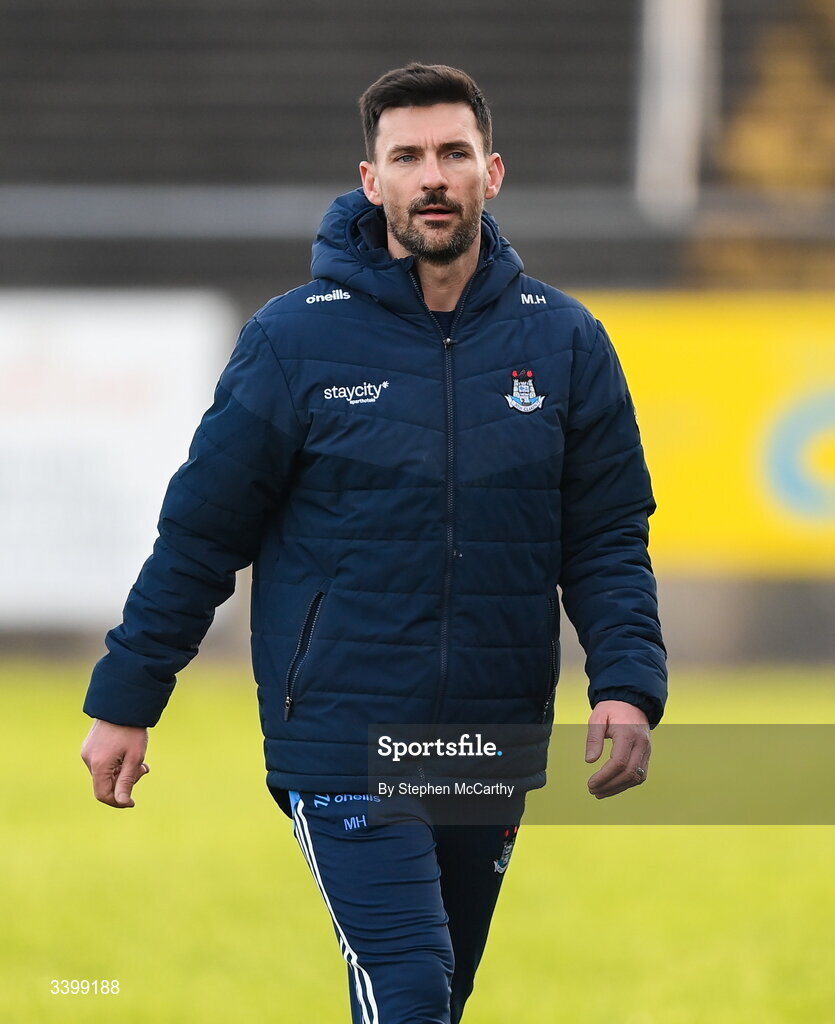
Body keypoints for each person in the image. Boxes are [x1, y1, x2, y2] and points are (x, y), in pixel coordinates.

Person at [81, 63, 667, 1024]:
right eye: (407, 157)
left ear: (492, 172)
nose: (431, 175)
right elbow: (199, 535)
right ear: (371, 180)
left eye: (452, 153)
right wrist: (126, 700)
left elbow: (605, 536)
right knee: (408, 986)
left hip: (489, 729)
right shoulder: (292, 341)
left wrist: (626, 682)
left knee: (439, 994)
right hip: (343, 734)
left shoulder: (565, 341)